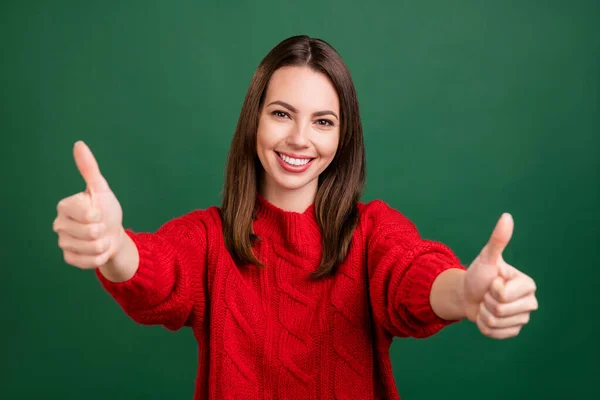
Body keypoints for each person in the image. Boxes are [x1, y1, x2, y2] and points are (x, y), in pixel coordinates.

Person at [53, 35, 538, 399]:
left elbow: (411, 276)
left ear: (342, 139)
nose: (300, 138)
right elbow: (156, 272)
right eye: (282, 114)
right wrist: (113, 245)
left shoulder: (371, 232)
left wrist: (465, 293)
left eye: (323, 121)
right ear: (255, 120)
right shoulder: (210, 238)